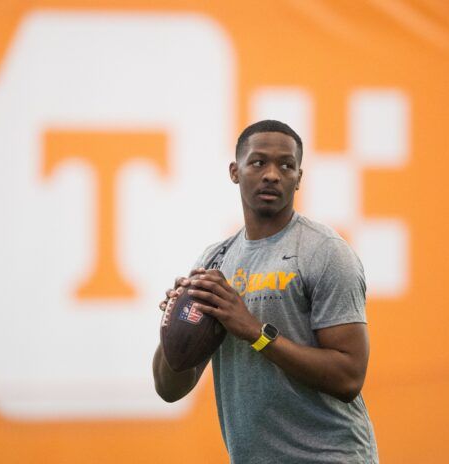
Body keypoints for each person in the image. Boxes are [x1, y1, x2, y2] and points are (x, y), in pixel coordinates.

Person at [152, 120, 379, 463]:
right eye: (258, 162)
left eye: (286, 165)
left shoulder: (326, 252)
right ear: (235, 171)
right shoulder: (215, 262)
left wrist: (255, 332)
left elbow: (349, 377)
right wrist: (175, 324)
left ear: (299, 178)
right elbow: (170, 389)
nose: (272, 174)